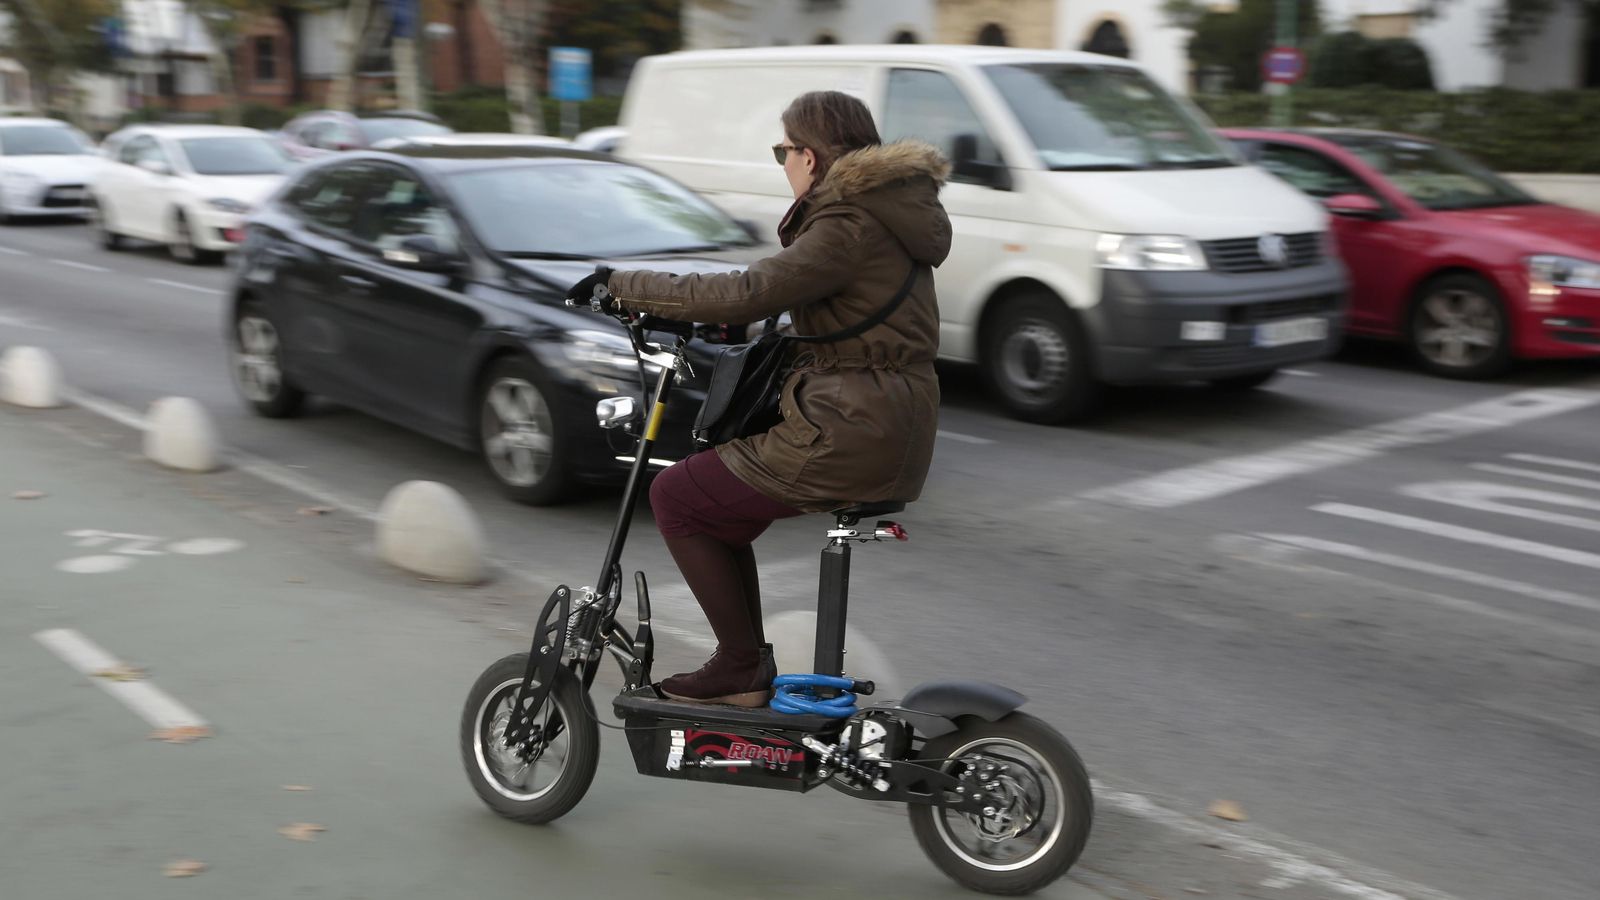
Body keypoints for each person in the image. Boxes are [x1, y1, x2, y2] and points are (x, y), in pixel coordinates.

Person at [565, 91, 951, 707]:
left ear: (811, 157)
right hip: (890, 419)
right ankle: (741, 665)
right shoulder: (890, 216)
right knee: (718, 507)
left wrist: (622, 284)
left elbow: (750, 288)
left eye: (783, 151)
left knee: (678, 497)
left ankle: (741, 666)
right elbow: (842, 312)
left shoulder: (847, 224)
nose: (784, 164)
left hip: (849, 427)